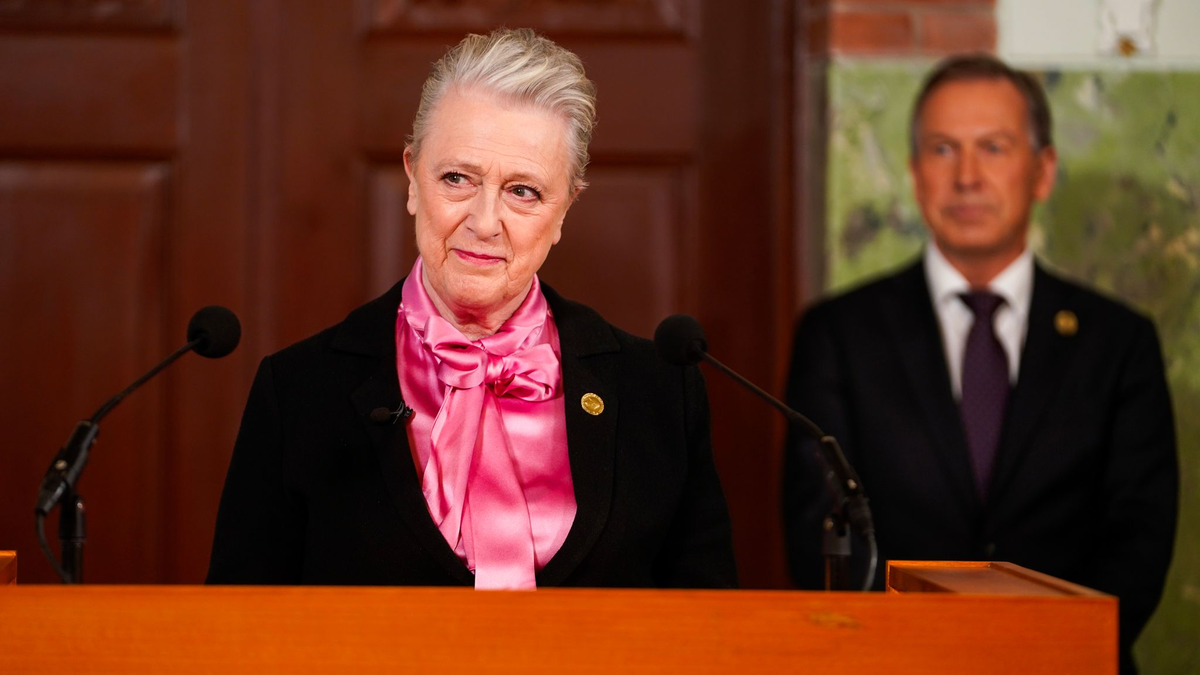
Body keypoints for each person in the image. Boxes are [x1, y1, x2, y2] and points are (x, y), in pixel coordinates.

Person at [208, 28, 736, 590]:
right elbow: (241, 622)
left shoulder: (659, 393)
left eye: (523, 191)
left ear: (564, 210)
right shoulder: (297, 392)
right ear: (413, 179)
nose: (484, 223)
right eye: (457, 178)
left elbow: (708, 620)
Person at [782, 54, 1177, 673]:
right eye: (943, 150)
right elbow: (820, 535)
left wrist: (1047, 654)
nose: (967, 176)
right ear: (915, 173)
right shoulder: (838, 334)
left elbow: (1139, 539)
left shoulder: (1118, 342)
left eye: (993, 147)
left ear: (1043, 170)